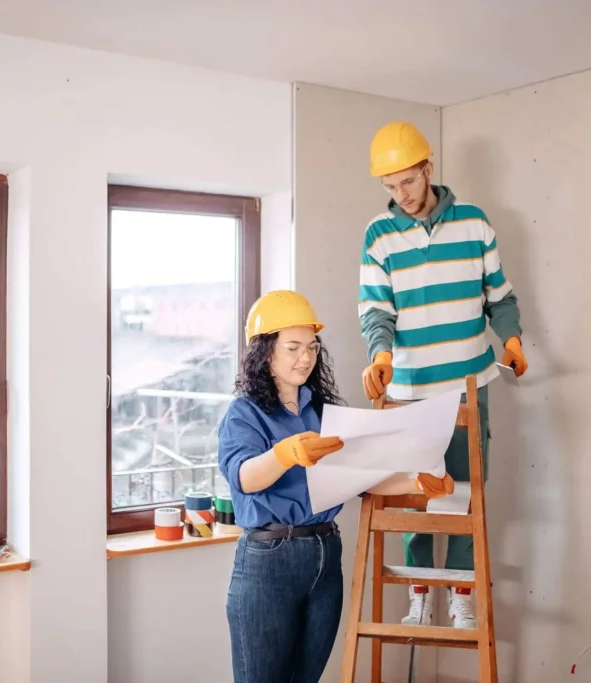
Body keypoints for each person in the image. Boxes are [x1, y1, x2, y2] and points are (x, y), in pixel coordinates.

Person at [220, 289, 455, 683]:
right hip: (269, 559)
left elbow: (361, 477)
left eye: (311, 347)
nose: (306, 357)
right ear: (265, 352)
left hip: (326, 553)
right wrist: (285, 454)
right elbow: (243, 477)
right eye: (293, 347)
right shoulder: (244, 413)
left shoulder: (321, 411)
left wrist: (418, 480)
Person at [358, 122, 529, 630]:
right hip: (410, 390)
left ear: (428, 169)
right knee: (415, 499)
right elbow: (375, 312)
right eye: (390, 187)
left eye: (407, 182)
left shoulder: (475, 224)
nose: (401, 195)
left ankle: (460, 596)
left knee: (463, 496)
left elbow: (500, 297)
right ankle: (419, 597)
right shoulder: (379, 235)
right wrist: (380, 356)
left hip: (469, 387)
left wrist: (512, 338)